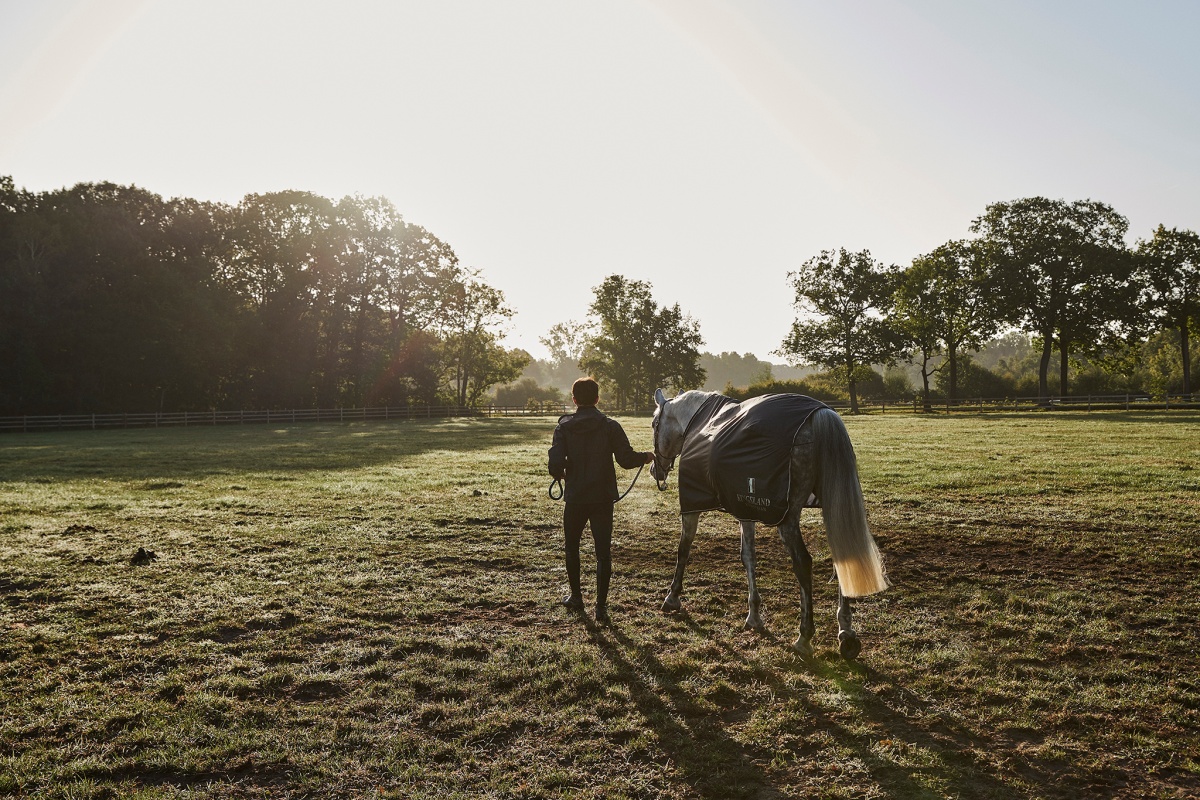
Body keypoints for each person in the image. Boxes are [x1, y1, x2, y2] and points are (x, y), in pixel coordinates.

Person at [547, 377, 653, 623]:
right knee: (603, 553)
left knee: (572, 548)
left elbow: (555, 465)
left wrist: (561, 471)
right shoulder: (610, 426)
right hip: (602, 498)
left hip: (575, 497)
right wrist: (646, 456)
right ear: (597, 398)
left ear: (574, 399)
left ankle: (576, 597)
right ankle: (601, 607)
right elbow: (626, 459)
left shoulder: (563, 427)